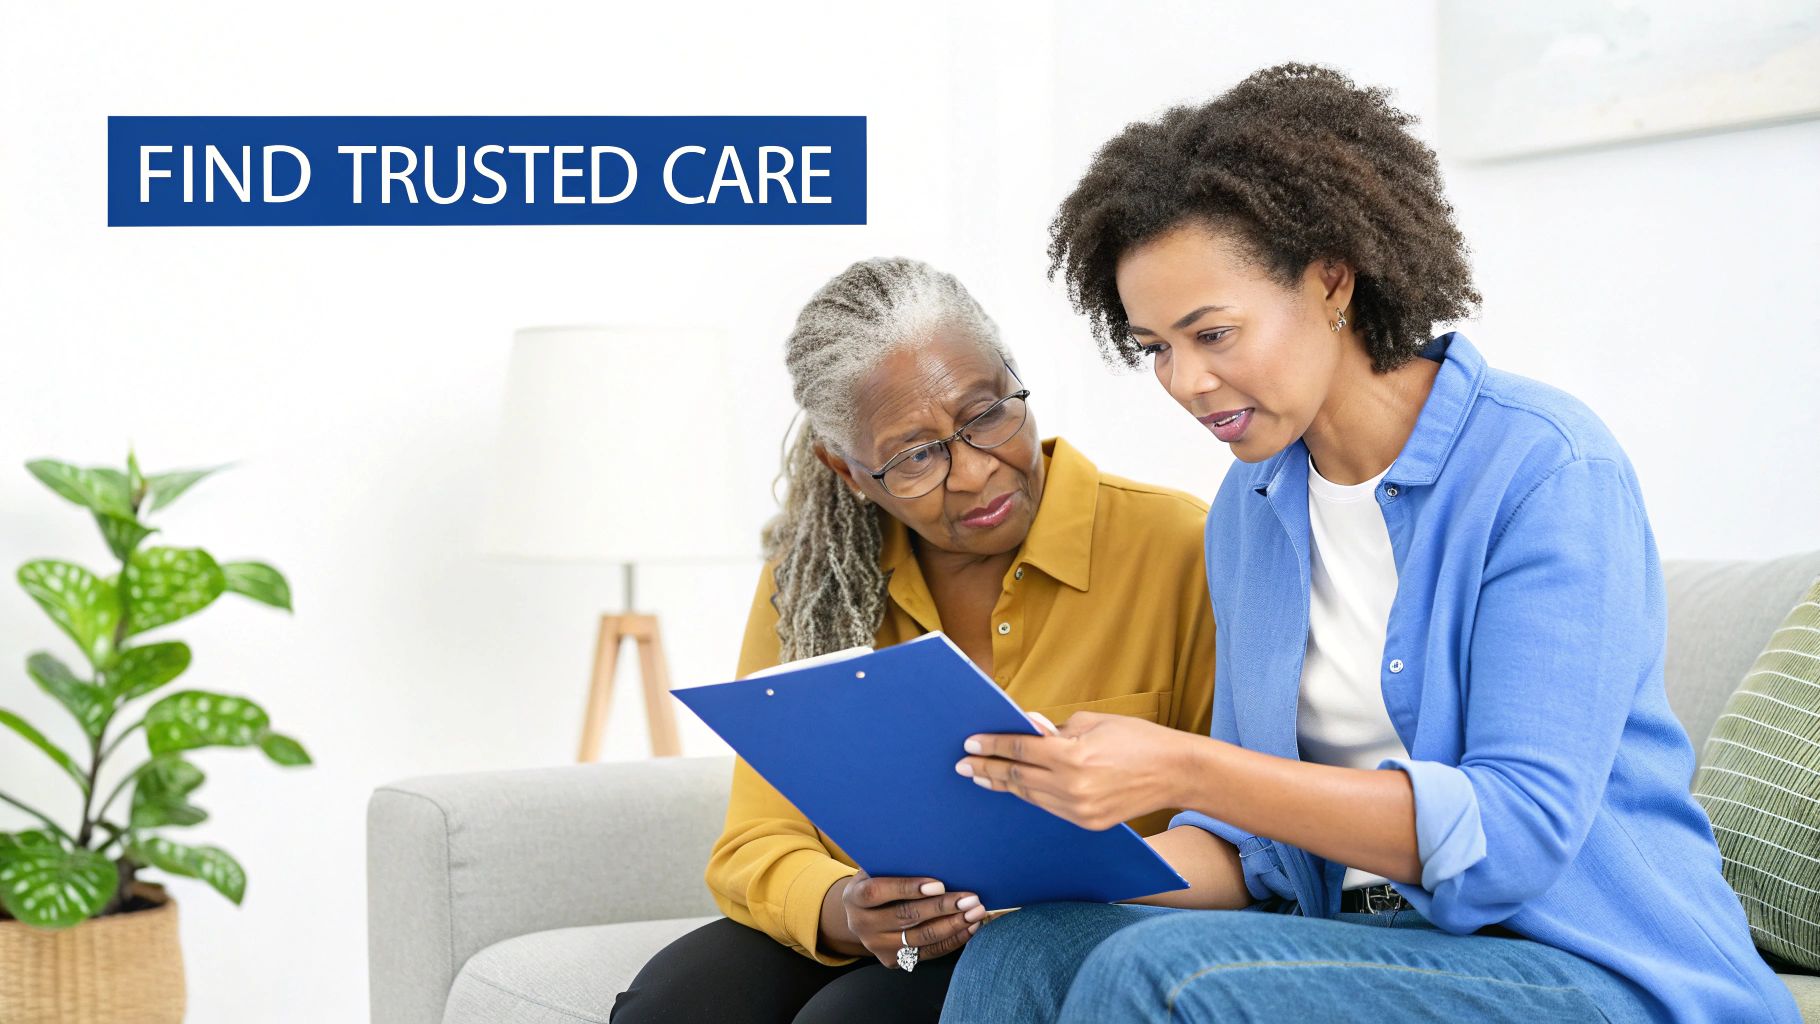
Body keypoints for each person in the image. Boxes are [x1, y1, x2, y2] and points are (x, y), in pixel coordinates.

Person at [940, 64, 1799, 1023]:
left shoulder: (1545, 468)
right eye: (1156, 349)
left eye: (1212, 334)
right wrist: (1025, 867)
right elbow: (1254, 855)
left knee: (1161, 976)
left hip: (1593, 972)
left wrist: (1182, 765)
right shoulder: (1251, 509)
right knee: (1026, 947)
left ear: (1332, 281)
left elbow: (1516, 832)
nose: (1185, 382)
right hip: (1361, 950)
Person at [609, 257, 1217, 1024]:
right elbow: (757, 839)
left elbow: (1234, 818)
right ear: (848, 469)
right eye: (915, 456)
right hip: (884, 920)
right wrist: (844, 907)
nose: (973, 473)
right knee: (677, 1004)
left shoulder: (1180, 546)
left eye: (986, 415)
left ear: (1014, 377)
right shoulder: (812, 581)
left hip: (1082, 927)